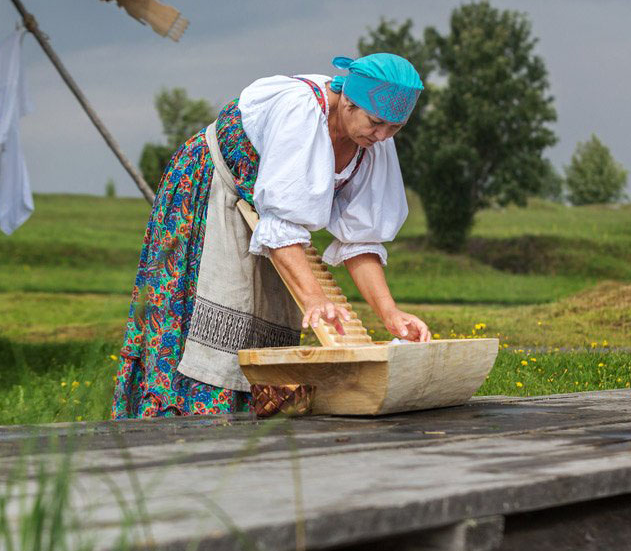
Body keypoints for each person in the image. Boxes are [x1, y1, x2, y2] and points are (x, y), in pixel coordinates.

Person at [113, 53, 432, 419]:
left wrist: (389, 313)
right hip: (212, 188)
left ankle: (253, 428)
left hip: (270, 218)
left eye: (395, 128)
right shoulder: (301, 112)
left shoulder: (374, 142)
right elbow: (280, 227)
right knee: (219, 311)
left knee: (268, 315)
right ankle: (187, 425)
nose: (382, 136)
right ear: (348, 100)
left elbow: (362, 237)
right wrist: (313, 299)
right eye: (376, 123)